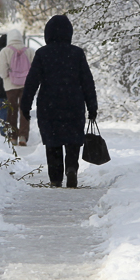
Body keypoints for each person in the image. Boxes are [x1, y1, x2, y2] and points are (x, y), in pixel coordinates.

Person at [20, 14, 97, 188]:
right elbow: (87, 81)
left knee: (53, 142)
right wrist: (92, 106)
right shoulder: (76, 53)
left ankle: (55, 179)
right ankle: (71, 168)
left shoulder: (42, 54)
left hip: (49, 105)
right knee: (73, 140)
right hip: (74, 104)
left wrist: (25, 106)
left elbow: (31, 82)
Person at [0, 27, 32, 145]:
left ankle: (12, 137)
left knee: (11, 111)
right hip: (26, 86)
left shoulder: (5, 51)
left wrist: (7, 76)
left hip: (10, 86)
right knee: (24, 110)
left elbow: (2, 70)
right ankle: (23, 136)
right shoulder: (30, 51)